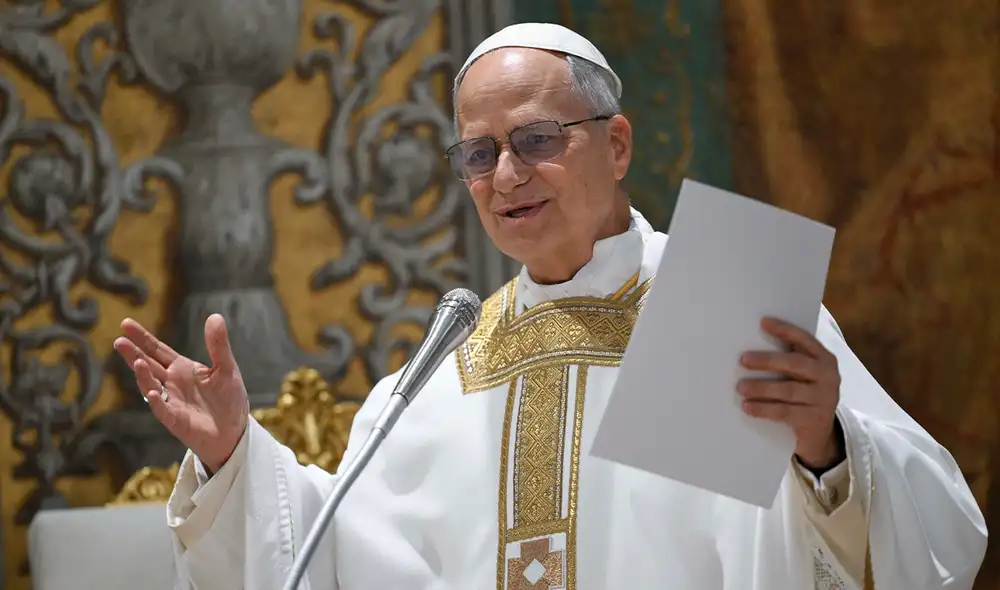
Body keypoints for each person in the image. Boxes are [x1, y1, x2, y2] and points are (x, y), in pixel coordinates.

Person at [114, 22, 986, 590]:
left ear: (615, 142)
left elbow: (936, 524)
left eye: (536, 140)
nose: (507, 176)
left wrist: (825, 448)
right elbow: (338, 559)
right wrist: (234, 456)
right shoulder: (444, 368)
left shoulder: (729, 304)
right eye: (479, 154)